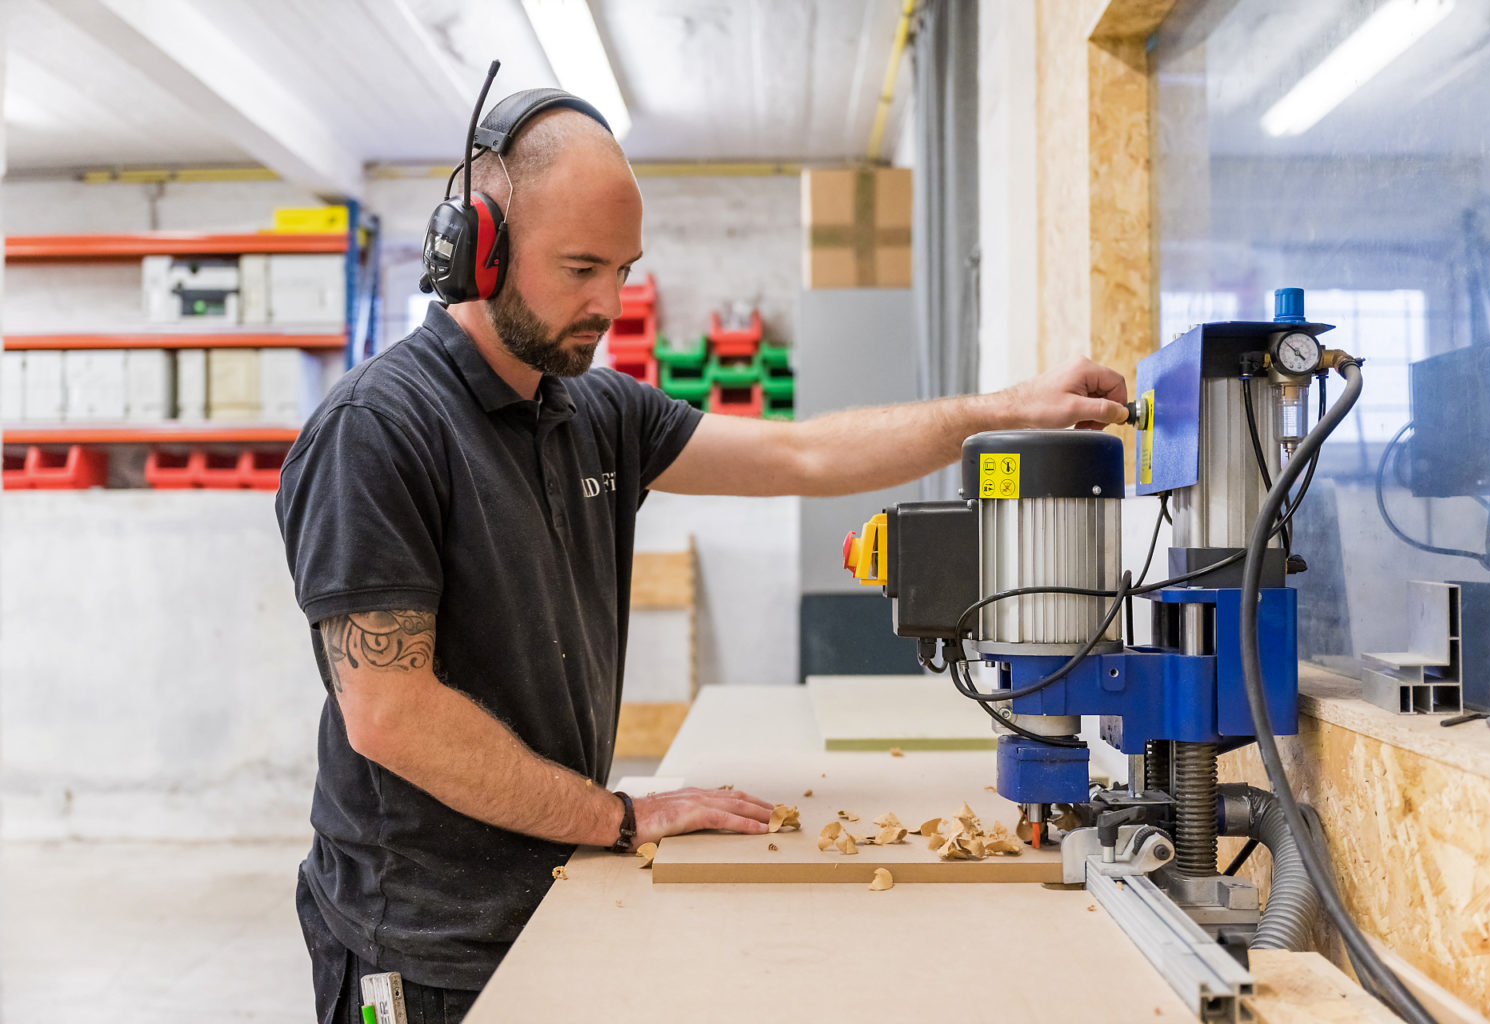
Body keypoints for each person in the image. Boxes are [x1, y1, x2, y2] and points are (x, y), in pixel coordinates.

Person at [277, 91, 1129, 1024]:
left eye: (625, 269)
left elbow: (804, 454)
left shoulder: (593, 413)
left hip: (551, 886)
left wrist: (1002, 413)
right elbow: (393, 717)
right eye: (580, 268)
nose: (609, 302)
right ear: (478, 250)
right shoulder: (380, 430)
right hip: (421, 945)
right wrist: (621, 817)